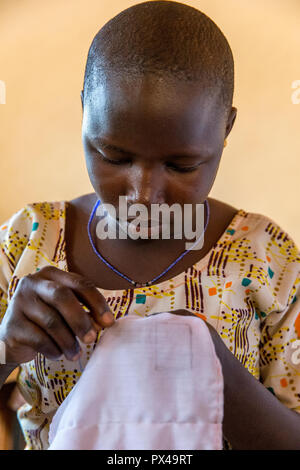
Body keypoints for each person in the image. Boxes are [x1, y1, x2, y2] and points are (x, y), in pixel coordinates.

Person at [0, 0, 299, 450]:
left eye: (181, 165)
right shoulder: (29, 241)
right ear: (84, 112)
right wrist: (6, 344)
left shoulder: (266, 257)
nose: (142, 193)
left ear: (225, 129)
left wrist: (218, 367)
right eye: (114, 156)